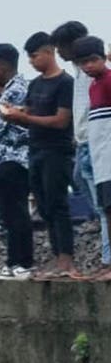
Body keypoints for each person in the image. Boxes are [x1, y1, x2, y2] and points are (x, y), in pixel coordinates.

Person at [1, 32, 77, 279]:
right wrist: (16, 114)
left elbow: (61, 120)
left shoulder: (65, 83)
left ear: (49, 52)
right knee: (43, 206)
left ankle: (66, 259)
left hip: (57, 150)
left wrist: (25, 117)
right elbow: (31, 114)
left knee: (57, 203)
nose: (32, 62)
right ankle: (57, 257)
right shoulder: (35, 84)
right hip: (35, 150)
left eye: (34, 56)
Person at [53, 21, 111, 275]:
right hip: (88, 144)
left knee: (104, 206)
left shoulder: (101, 78)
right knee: (96, 199)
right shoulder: (86, 76)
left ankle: (108, 258)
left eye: (60, 47)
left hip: (98, 146)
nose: (59, 54)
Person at [0, 44, 33, 281]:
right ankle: (16, 262)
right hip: (8, 158)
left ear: (1, 65)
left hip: (15, 158)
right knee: (11, 212)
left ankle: (21, 262)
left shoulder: (16, 90)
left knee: (16, 212)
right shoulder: (10, 90)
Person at [75, 35, 111, 281]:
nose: (88, 66)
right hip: (100, 160)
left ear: (103, 58)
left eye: (93, 60)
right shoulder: (93, 85)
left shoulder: (109, 81)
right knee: (107, 210)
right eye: (83, 62)